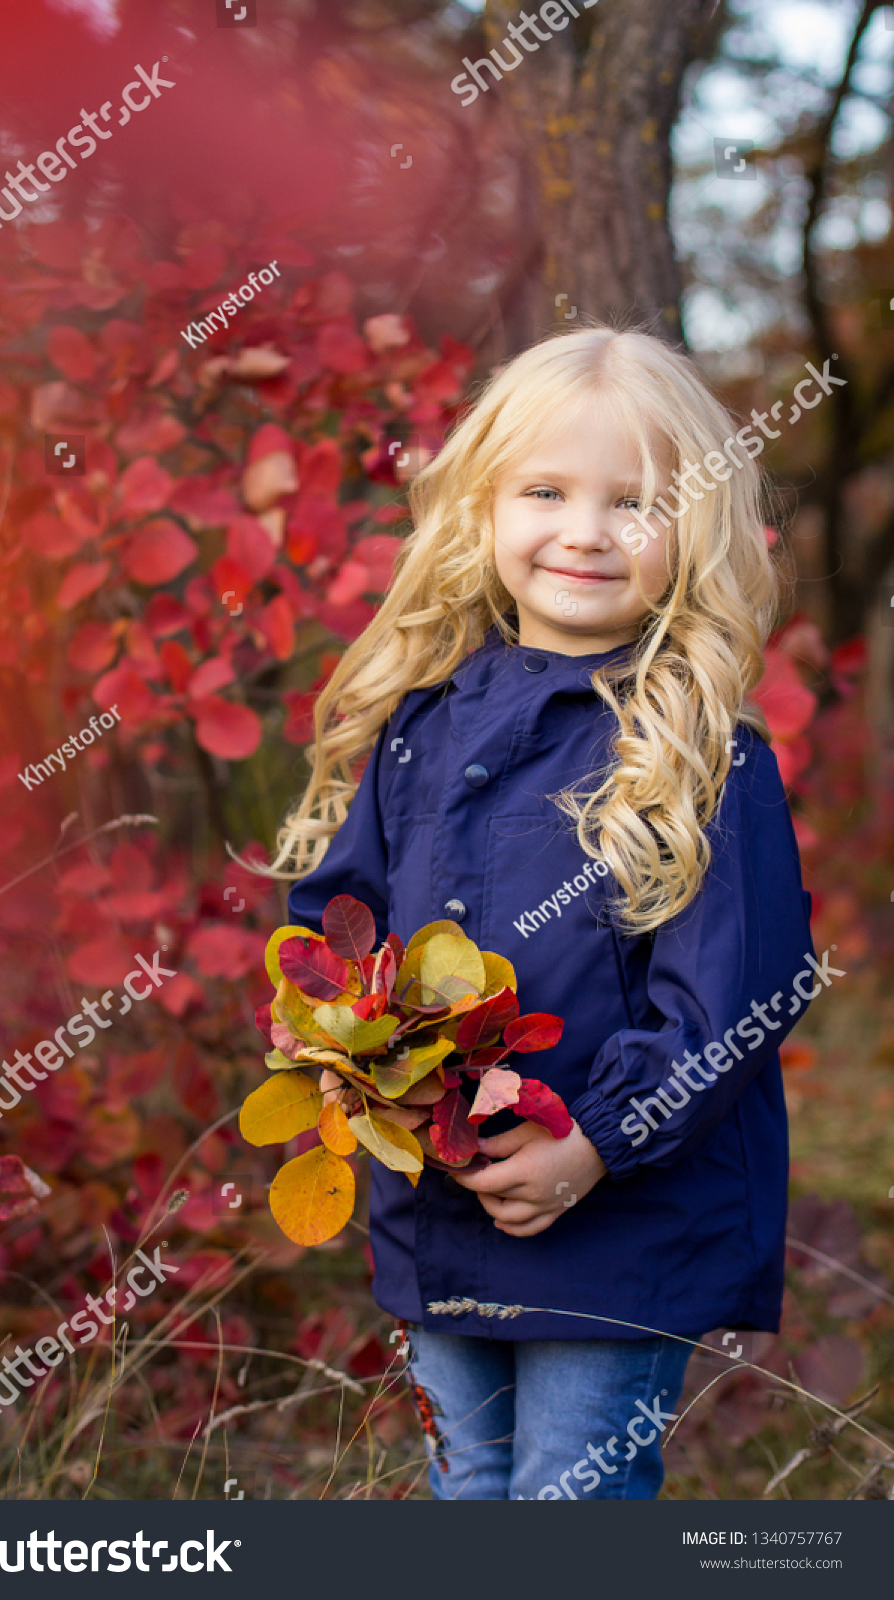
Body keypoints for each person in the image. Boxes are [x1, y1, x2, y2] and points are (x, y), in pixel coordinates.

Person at [276, 327, 815, 1501]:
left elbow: (735, 1000)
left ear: (696, 529)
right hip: (439, 1201)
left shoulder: (700, 753)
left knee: (568, 1498)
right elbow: (337, 921)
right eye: (545, 490)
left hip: (620, 1219)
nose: (584, 530)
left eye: (635, 502)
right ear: (481, 507)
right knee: (469, 1489)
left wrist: (593, 1145)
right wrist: (331, 1040)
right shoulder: (418, 726)